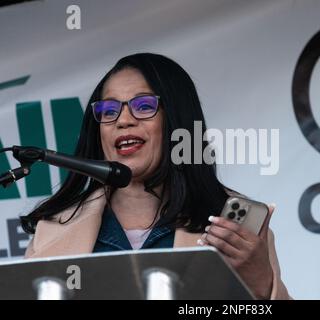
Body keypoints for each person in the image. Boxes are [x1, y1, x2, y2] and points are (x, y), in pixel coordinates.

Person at [21, 53, 291, 300]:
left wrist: (260, 281)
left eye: (143, 105)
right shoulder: (53, 229)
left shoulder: (235, 226)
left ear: (176, 119)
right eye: (109, 110)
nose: (123, 120)